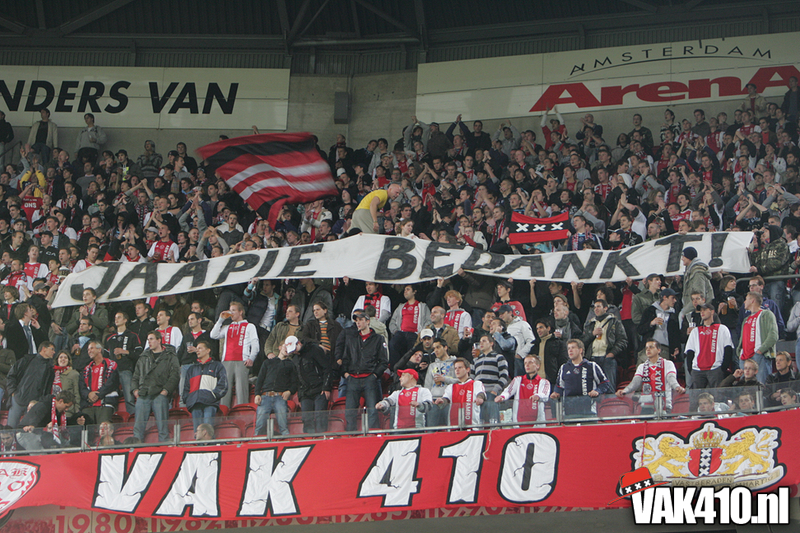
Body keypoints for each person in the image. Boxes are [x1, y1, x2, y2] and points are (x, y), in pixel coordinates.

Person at [335, 309, 388, 431]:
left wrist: (374, 375)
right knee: (350, 412)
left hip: (370, 379)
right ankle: (351, 436)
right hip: (353, 378)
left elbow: (384, 361)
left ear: (368, 321)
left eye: (361, 320)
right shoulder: (352, 339)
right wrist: (346, 374)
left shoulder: (378, 339)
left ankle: (373, 435)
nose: (358, 323)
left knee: (372, 411)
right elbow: (346, 358)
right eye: (356, 320)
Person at [131, 331, 180, 442]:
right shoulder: (143, 357)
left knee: (162, 427)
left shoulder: (170, 356)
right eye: (148, 339)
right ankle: (136, 446)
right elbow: (135, 376)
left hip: (160, 393)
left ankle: (164, 447)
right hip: (143, 394)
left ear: (159, 340)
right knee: (138, 428)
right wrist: (135, 390)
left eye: (152, 339)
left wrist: (165, 391)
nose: (149, 342)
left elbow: (175, 375)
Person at [211, 302, 258, 408]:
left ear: (240, 312)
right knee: (225, 391)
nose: (231, 313)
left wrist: (251, 358)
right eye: (230, 310)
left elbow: (255, 344)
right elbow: (213, 335)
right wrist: (220, 320)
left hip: (242, 360)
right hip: (226, 361)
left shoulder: (249, 326)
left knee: (241, 390)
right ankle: (224, 413)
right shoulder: (227, 327)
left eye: (233, 310)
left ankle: (242, 412)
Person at [617, 339, 684, 413]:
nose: (648, 350)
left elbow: (671, 378)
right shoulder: (642, 366)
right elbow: (636, 382)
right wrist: (625, 390)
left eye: (651, 347)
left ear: (658, 350)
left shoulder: (668, 364)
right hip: (646, 405)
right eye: (646, 348)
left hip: (664, 405)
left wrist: (677, 387)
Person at [551, 339, 613, 417]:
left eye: (573, 347)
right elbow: (559, 386)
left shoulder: (592, 366)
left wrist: (597, 391)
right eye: (568, 348)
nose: (570, 350)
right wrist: (556, 393)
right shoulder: (564, 368)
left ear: (580, 350)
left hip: (589, 412)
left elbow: (605, 383)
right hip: (569, 412)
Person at [254, 336, 299, 436]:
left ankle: (286, 441)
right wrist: (257, 394)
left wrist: (289, 391)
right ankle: (256, 441)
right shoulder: (267, 362)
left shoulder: (291, 365)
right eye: (285, 346)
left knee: (283, 427)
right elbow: (260, 380)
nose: (286, 349)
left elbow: (295, 383)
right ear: (280, 347)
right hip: (265, 396)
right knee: (259, 426)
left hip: (280, 396)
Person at [684, 303, 734, 389]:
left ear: (712, 312)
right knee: (697, 396)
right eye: (701, 310)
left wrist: (723, 368)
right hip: (697, 370)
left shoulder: (722, 328)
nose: (702, 312)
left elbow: (728, 349)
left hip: (716, 368)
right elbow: (690, 351)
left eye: (704, 310)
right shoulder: (695, 331)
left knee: (717, 395)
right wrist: (691, 370)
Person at [6, 341, 56, 428]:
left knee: (27, 432)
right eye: (52, 349)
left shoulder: (50, 369)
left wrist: (39, 402)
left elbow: (47, 389)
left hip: (34, 404)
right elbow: (11, 375)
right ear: (44, 349)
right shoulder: (26, 360)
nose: (54, 352)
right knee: (10, 428)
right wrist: (12, 391)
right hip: (17, 399)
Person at [582, 298, 627, 390]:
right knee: (592, 388)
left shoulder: (615, 322)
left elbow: (623, 340)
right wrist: (592, 334)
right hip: (592, 359)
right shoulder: (590, 324)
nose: (596, 309)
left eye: (598, 306)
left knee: (609, 388)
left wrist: (612, 353)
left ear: (605, 308)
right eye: (595, 307)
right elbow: (582, 342)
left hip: (608, 358)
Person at [182, 339, 228, 429]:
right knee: (198, 431)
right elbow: (186, 387)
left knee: (207, 430)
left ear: (208, 350)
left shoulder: (217, 366)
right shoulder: (192, 369)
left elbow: (223, 384)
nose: (197, 350)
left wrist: (213, 395)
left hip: (210, 403)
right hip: (195, 403)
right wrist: (188, 399)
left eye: (200, 348)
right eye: (196, 348)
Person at [293, 336, 334, 434]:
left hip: (319, 389)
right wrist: (300, 396)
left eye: (294, 349)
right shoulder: (295, 358)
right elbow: (298, 379)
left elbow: (327, 368)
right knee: (306, 418)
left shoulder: (314, 350)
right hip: (305, 392)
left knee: (320, 417)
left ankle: (322, 439)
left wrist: (326, 387)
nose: (294, 352)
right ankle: (309, 438)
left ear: (299, 343)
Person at [495, 354, 551, 423]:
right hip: (518, 422)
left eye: (530, 362)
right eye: (525, 363)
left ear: (537, 366)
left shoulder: (544, 382)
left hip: (538, 422)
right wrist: (502, 396)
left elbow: (545, 395)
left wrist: (538, 396)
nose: (527, 365)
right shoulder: (517, 380)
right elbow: (508, 391)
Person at [738, 292, 778, 384]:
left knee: (762, 386)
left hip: (760, 355)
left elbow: (773, 335)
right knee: (744, 388)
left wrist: (761, 350)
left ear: (752, 300)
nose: (744, 302)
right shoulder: (746, 319)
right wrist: (739, 352)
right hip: (744, 358)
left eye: (746, 299)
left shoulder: (767, 314)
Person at [78, 341, 120, 425]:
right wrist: (88, 394)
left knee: (103, 429)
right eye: (88, 349)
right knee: (87, 430)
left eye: (91, 348)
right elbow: (82, 386)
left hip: (105, 404)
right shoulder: (86, 368)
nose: (89, 351)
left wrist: (98, 394)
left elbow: (112, 383)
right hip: (88, 404)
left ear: (99, 349)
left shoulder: (111, 364)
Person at [435, 358, 486, 426]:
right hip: (454, 427)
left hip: (473, 426)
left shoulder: (476, 383)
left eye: (460, 367)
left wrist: (480, 398)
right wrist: (442, 401)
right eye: (455, 368)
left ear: (467, 369)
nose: (457, 370)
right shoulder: (451, 387)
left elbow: (481, 394)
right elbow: (446, 399)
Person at [388, 285, 430, 367]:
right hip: (401, 333)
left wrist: (421, 333)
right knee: (392, 344)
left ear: (414, 292)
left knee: (412, 352)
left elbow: (428, 321)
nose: (405, 291)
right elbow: (392, 321)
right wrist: (395, 331)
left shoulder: (422, 306)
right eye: (404, 290)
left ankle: (410, 369)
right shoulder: (401, 306)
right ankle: (394, 368)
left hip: (415, 334)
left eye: (408, 289)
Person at [472, 333, 509, 423]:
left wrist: (495, 390)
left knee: (493, 420)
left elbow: (504, 376)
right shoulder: (475, 360)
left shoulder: (499, 357)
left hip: (492, 393)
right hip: (478, 394)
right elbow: (471, 379)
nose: (481, 343)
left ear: (491, 343)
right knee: (479, 421)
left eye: (484, 341)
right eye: (480, 342)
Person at [497, 303, 534, 377]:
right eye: (499, 314)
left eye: (503, 313)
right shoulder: (500, 328)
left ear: (510, 313)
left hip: (517, 361)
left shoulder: (522, 324)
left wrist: (520, 354)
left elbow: (531, 341)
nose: (500, 316)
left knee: (518, 381)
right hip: (504, 360)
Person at [680, 247, 713, 321]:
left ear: (689, 257)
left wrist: (685, 311)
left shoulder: (697, 273)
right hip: (693, 308)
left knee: (681, 316)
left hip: (696, 311)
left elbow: (699, 295)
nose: (682, 259)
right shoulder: (691, 270)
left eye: (683, 256)